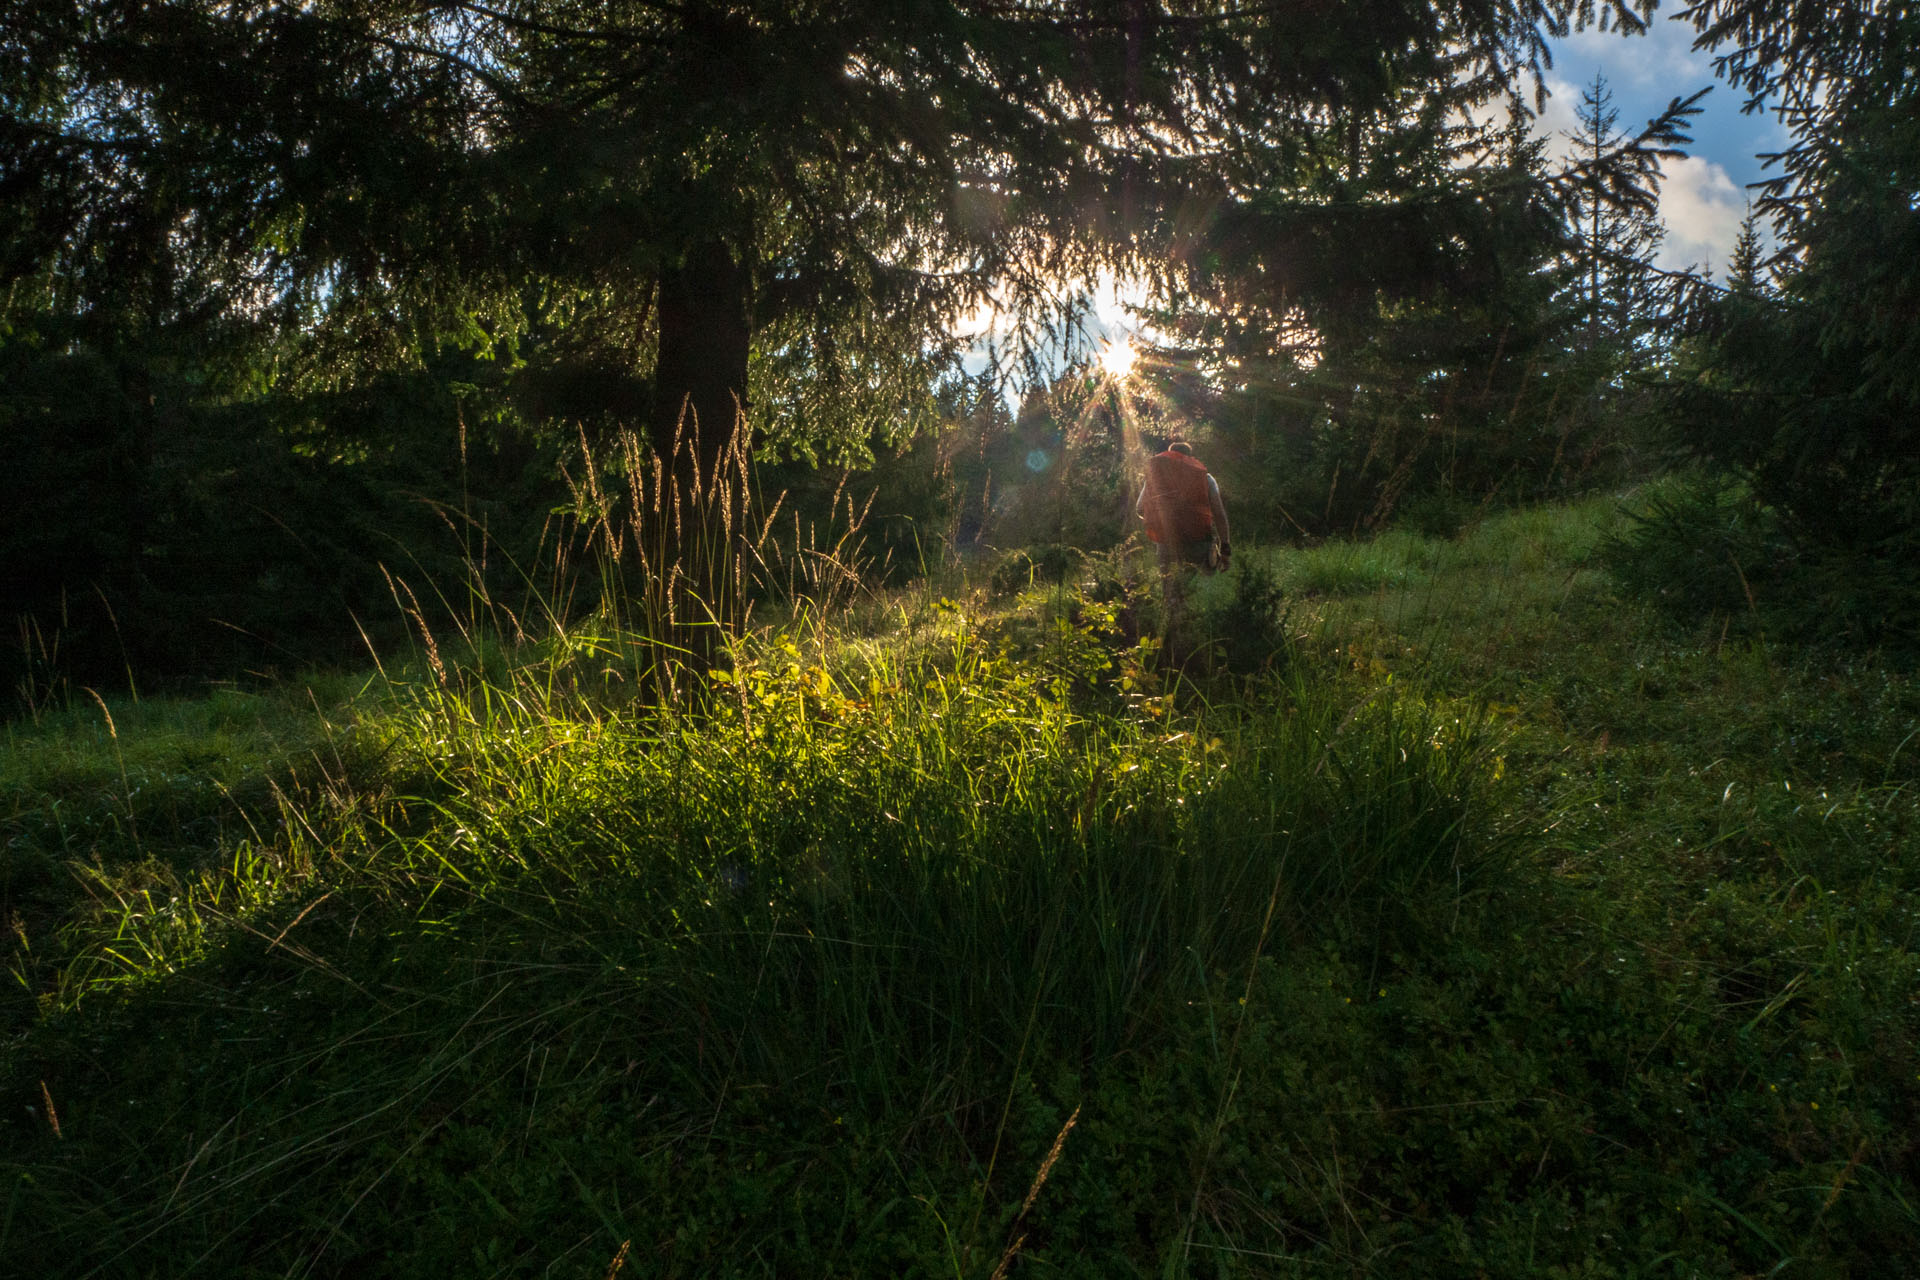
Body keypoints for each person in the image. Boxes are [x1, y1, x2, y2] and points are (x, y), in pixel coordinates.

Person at [1135, 440, 1230, 573]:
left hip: (1166, 543)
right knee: (1198, 589)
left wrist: (1159, 520)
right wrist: (1225, 547)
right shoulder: (1206, 478)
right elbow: (1219, 515)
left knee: (1170, 590)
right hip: (1199, 543)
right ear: (1190, 458)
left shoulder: (1155, 479)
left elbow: (1139, 508)